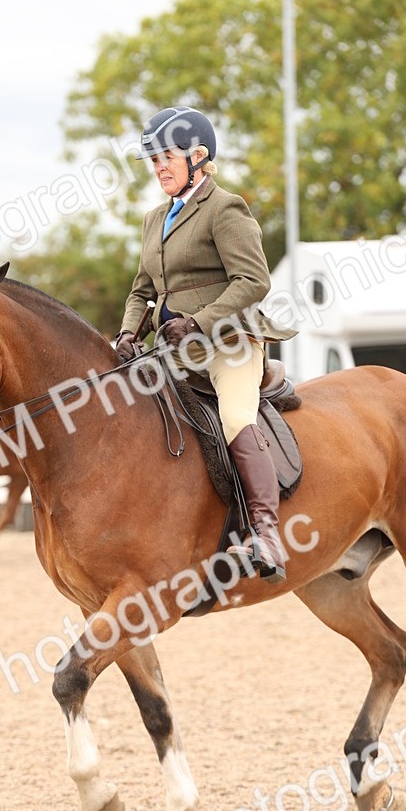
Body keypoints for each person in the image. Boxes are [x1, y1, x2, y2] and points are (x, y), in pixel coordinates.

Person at [114, 106, 297, 582]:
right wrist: (129, 330)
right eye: (153, 160)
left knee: (236, 416)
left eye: (166, 157)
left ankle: (265, 530)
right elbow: (142, 289)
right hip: (172, 350)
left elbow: (253, 280)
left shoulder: (225, 207)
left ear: (198, 157)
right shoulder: (155, 218)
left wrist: (197, 322)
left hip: (230, 343)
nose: (159, 168)